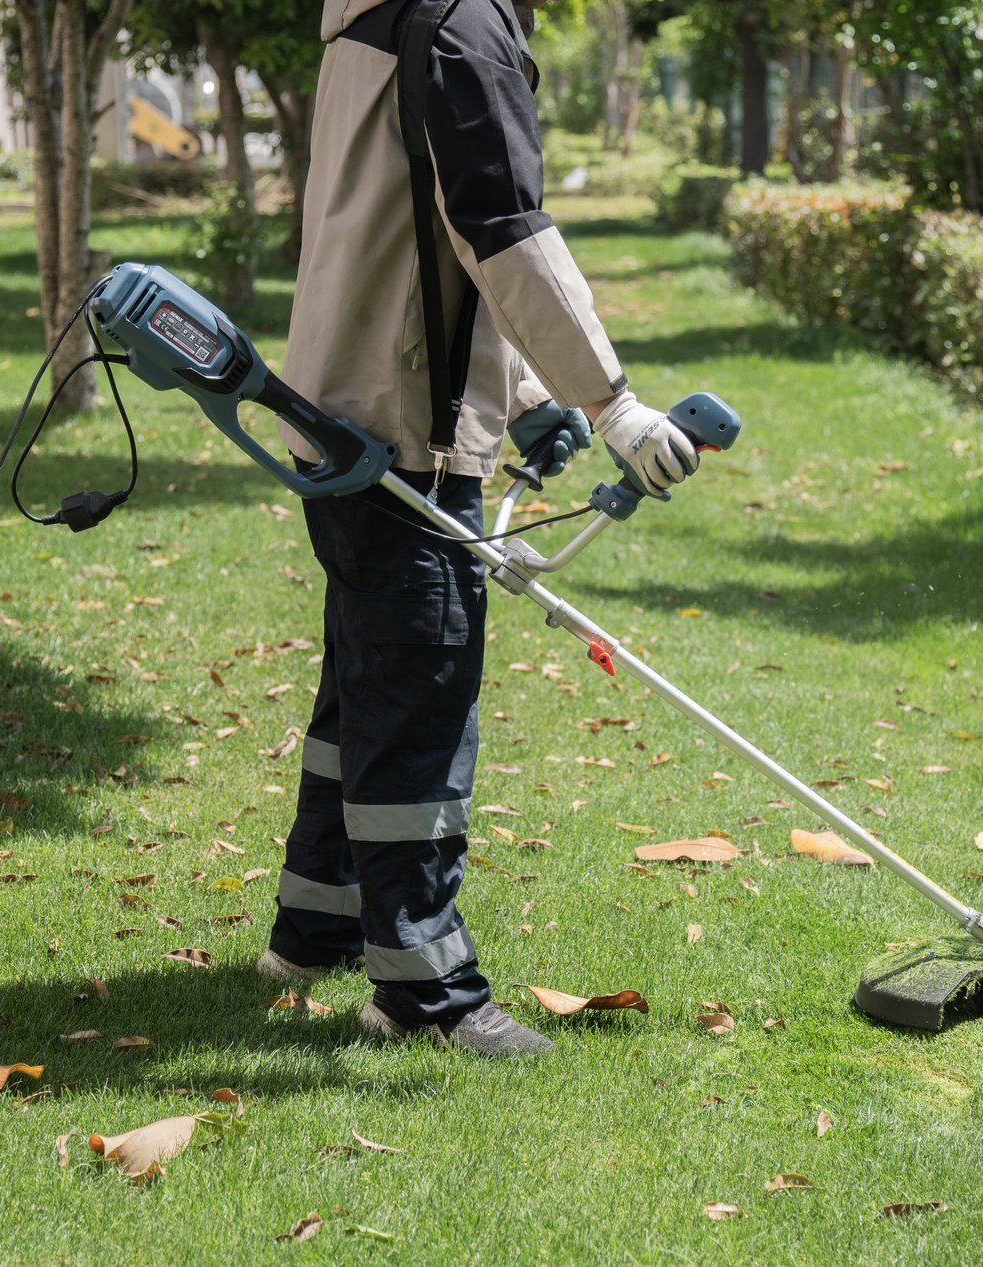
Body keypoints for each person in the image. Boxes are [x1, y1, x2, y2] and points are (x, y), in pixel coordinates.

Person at [256, 0, 701, 1058]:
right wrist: (610, 401)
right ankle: (425, 992)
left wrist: (527, 397)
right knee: (417, 697)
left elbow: (419, 228)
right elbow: (500, 227)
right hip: (402, 428)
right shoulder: (460, 24)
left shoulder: (387, 15)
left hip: (344, 410)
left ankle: (316, 928)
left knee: (365, 688)